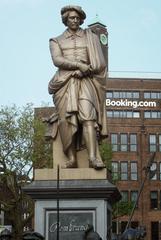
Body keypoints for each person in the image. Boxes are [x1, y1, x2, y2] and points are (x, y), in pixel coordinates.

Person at [48, 5, 107, 169]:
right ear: (65, 20)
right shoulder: (56, 40)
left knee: (88, 117)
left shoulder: (91, 37)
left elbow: (100, 62)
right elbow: (57, 60)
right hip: (64, 83)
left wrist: (85, 69)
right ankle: (72, 159)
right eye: (71, 18)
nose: (74, 20)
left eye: (77, 18)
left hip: (85, 81)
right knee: (66, 121)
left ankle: (93, 158)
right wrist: (77, 66)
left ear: (81, 19)